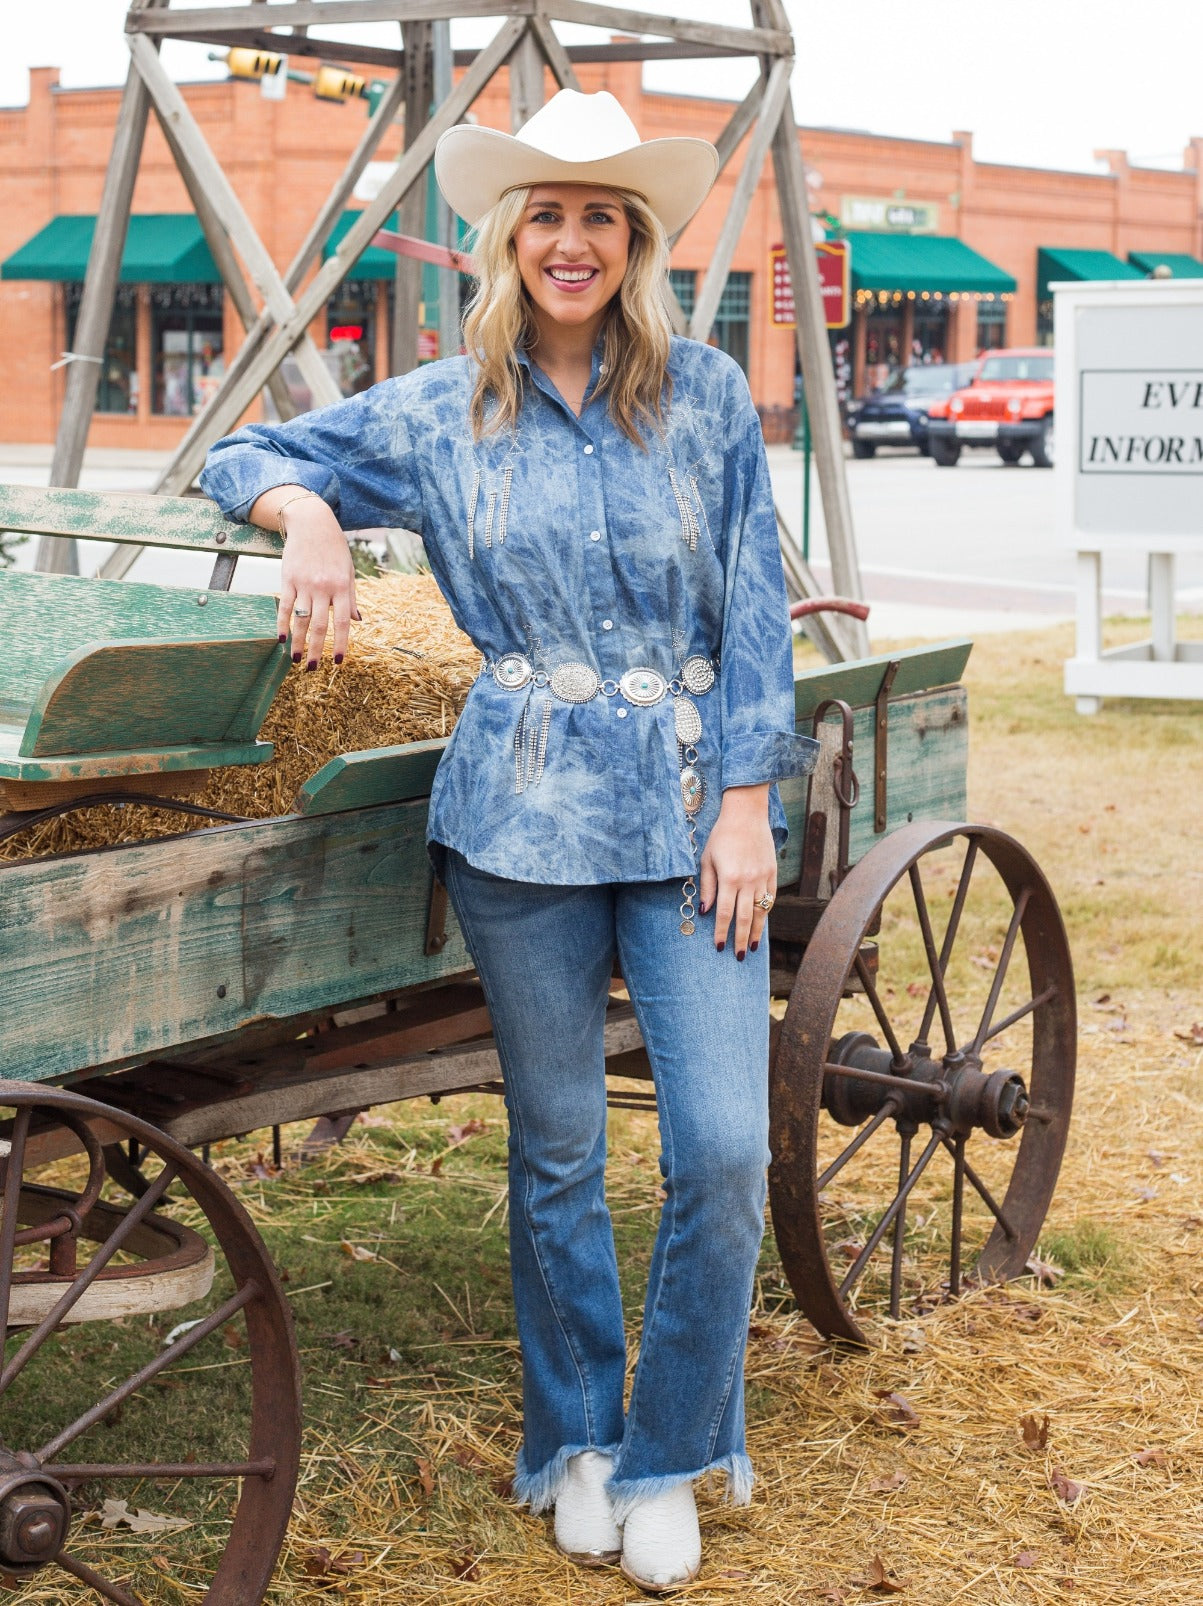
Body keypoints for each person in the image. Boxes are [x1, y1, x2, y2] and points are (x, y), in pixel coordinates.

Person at [200, 88, 817, 1595]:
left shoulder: (710, 396)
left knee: (724, 1150)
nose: (572, 239)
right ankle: (578, 1443)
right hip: (518, 820)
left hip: (687, 819)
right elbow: (246, 448)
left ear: (636, 241)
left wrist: (746, 800)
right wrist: (312, 520)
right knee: (552, 1152)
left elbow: (755, 612)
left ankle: (672, 1446)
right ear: (507, 235)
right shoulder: (434, 407)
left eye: (601, 215)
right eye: (547, 211)